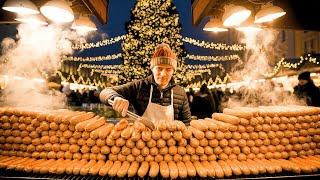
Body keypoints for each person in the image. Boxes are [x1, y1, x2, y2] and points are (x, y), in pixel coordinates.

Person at [99, 43, 191, 125]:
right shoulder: (139, 86)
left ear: (173, 71)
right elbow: (105, 91)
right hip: (142, 141)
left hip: (170, 142)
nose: (163, 74)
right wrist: (115, 98)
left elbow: (186, 123)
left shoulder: (180, 92)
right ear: (152, 68)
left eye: (168, 69)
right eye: (159, 68)